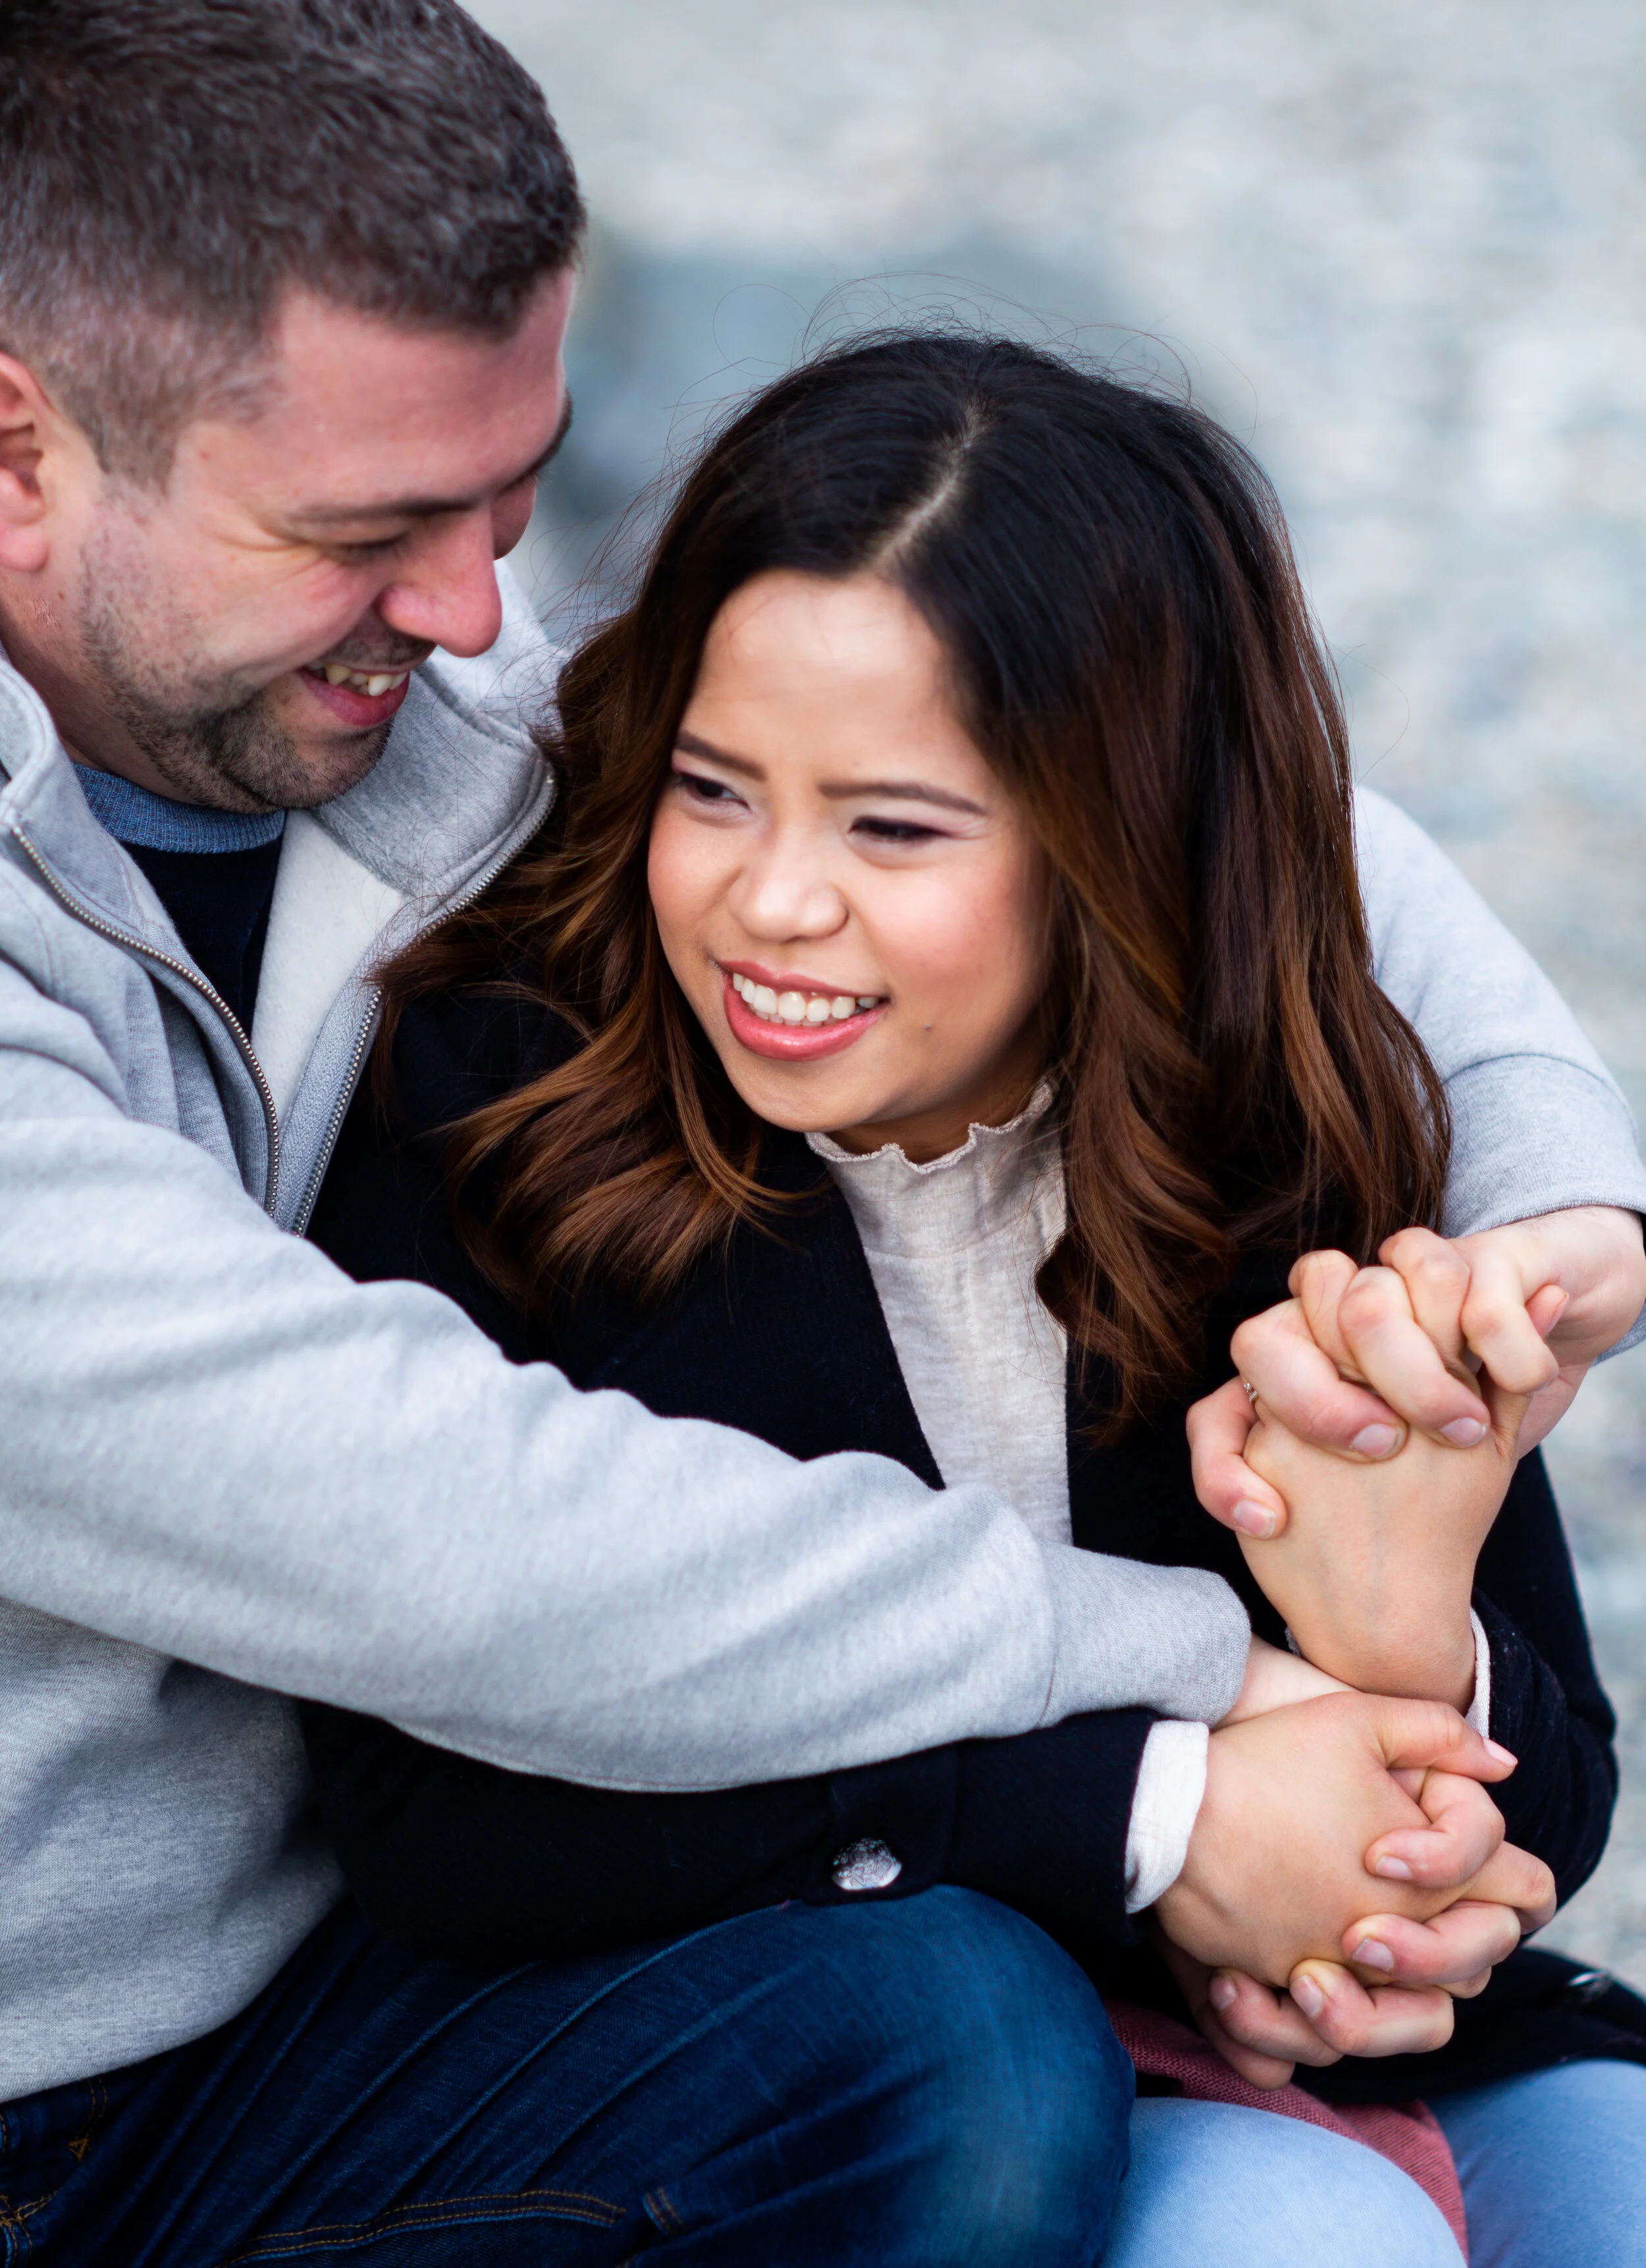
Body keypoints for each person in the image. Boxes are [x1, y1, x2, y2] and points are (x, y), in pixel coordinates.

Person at [0, 0, 1639, 2265]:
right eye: (369, 528)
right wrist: (1226, 1720)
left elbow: (1184, 788)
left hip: (313, 2036)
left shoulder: (419, 737)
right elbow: (446, 1537)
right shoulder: (537, 1053)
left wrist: (1550, 1219)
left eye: (513, 493)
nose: (479, 616)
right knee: (1041, 2086)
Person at [305, 331, 1646, 2263]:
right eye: (713, 788)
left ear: (1116, 844)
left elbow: (1556, 1769)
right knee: (1297, 2240)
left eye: (891, 825)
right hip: (826, 2040)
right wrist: (1165, 1814)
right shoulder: (502, 1098)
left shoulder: (1269, 1104)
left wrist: (1399, 1745)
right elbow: (434, 1807)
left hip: (1267, 2025)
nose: (770, 899)